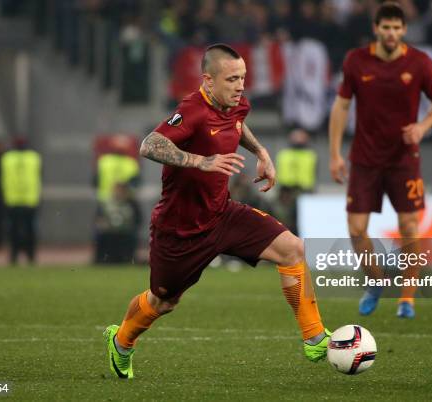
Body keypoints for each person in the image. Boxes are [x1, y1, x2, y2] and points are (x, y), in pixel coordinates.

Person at [103, 43, 330, 379]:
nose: (240, 86)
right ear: (208, 81)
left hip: (222, 214)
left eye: (243, 78)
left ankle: (315, 337)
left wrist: (261, 152)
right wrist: (200, 161)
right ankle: (121, 342)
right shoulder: (192, 110)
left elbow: (237, 125)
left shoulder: (237, 103)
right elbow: (149, 144)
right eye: (232, 79)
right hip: (179, 231)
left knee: (292, 249)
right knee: (164, 301)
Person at [328, 2, 432, 319]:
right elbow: (341, 107)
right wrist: (335, 153)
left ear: (404, 30)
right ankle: (376, 283)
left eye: (397, 28)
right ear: (376, 29)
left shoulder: (420, 63)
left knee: (409, 226)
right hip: (365, 159)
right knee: (356, 230)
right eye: (386, 27)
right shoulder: (356, 60)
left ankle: (407, 298)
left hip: (404, 160)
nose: (391, 33)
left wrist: (422, 126)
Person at [0, 137, 42, 265]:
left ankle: (14, 255)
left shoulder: (7, 158)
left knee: (13, 231)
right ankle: (30, 256)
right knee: (30, 231)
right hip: (30, 199)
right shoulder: (34, 158)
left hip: (13, 199)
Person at [94, 182, 142, 264]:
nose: (119, 193)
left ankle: (128, 259)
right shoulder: (106, 203)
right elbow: (98, 218)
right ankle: (102, 260)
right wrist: (103, 225)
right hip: (109, 231)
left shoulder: (132, 204)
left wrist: (131, 226)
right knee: (100, 236)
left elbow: (138, 219)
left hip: (126, 231)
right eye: (117, 190)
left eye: (121, 191)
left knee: (131, 237)